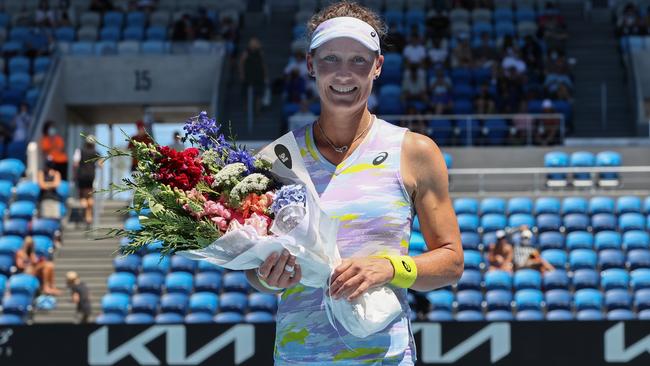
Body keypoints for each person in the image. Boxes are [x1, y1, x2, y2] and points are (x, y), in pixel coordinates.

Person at [244, 3, 463, 364]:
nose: (344, 74)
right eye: (331, 58)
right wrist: (269, 277)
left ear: (377, 66)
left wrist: (392, 268)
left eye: (358, 60)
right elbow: (256, 273)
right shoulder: (276, 158)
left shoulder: (414, 151)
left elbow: (452, 262)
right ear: (311, 65)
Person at [73, 135, 102, 228]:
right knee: (90, 195)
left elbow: (75, 164)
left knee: (82, 195)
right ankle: (88, 217)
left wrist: (74, 176)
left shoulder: (80, 151)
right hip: (91, 176)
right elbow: (101, 163)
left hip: (81, 176)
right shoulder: (96, 152)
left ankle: (84, 207)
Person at [239, 37, 268, 116]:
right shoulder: (246, 52)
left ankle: (257, 111)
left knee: (259, 94)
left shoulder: (260, 52)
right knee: (246, 94)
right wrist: (242, 74)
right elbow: (241, 63)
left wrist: (265, 75)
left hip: (258, 76)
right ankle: (247, 110)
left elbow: (263, 64)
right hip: (248, 76)